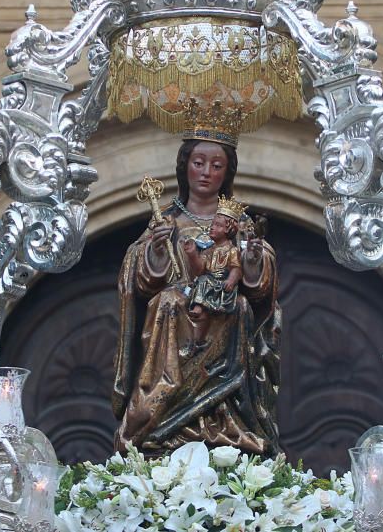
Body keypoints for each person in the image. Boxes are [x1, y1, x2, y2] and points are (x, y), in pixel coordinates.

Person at [112, 103, 281, 456]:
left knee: (236, 307)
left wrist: (251, 258)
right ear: (184, 166)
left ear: (227, 173)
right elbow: (140, 282)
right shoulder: (167, 221)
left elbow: (259, 283)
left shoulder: (239, 224)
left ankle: (227, 421)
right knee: (170, 302)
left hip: (227, 317)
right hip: (173, 322)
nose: (205, 172)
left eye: (216, 166)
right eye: (198, 163)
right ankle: (160, 419)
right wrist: (156, 252)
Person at [182, 197, 246, 357]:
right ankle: (197, 341)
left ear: (228, 230)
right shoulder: (208, 251)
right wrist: (192, 255)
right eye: (212, 224)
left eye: (217, 225)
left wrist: (231, 281)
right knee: (202, 282)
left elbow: (237, 269)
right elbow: (199, 270)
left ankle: (198, 309)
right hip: (207, 286)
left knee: (204, 282)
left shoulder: (231, 251)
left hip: (221, 288)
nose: (211, 228)